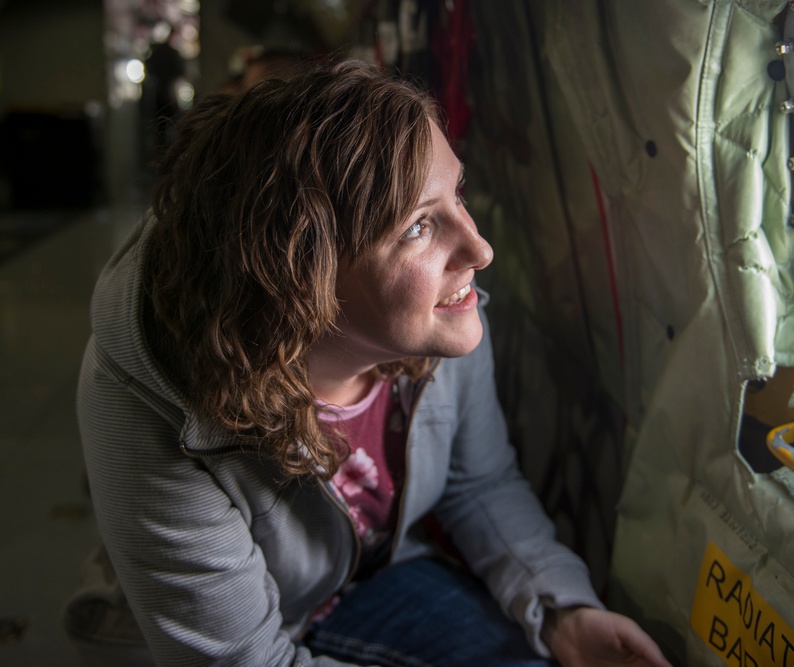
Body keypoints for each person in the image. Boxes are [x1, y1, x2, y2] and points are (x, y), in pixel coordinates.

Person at [63, 58, 671, 667]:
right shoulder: (150, 410)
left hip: (359, 582)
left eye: (456, 193)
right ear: (300, 280)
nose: (479, 249)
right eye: (417, 228)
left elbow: (477, 481)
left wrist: (561, 613)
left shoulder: (437, 318)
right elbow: (247, 660)